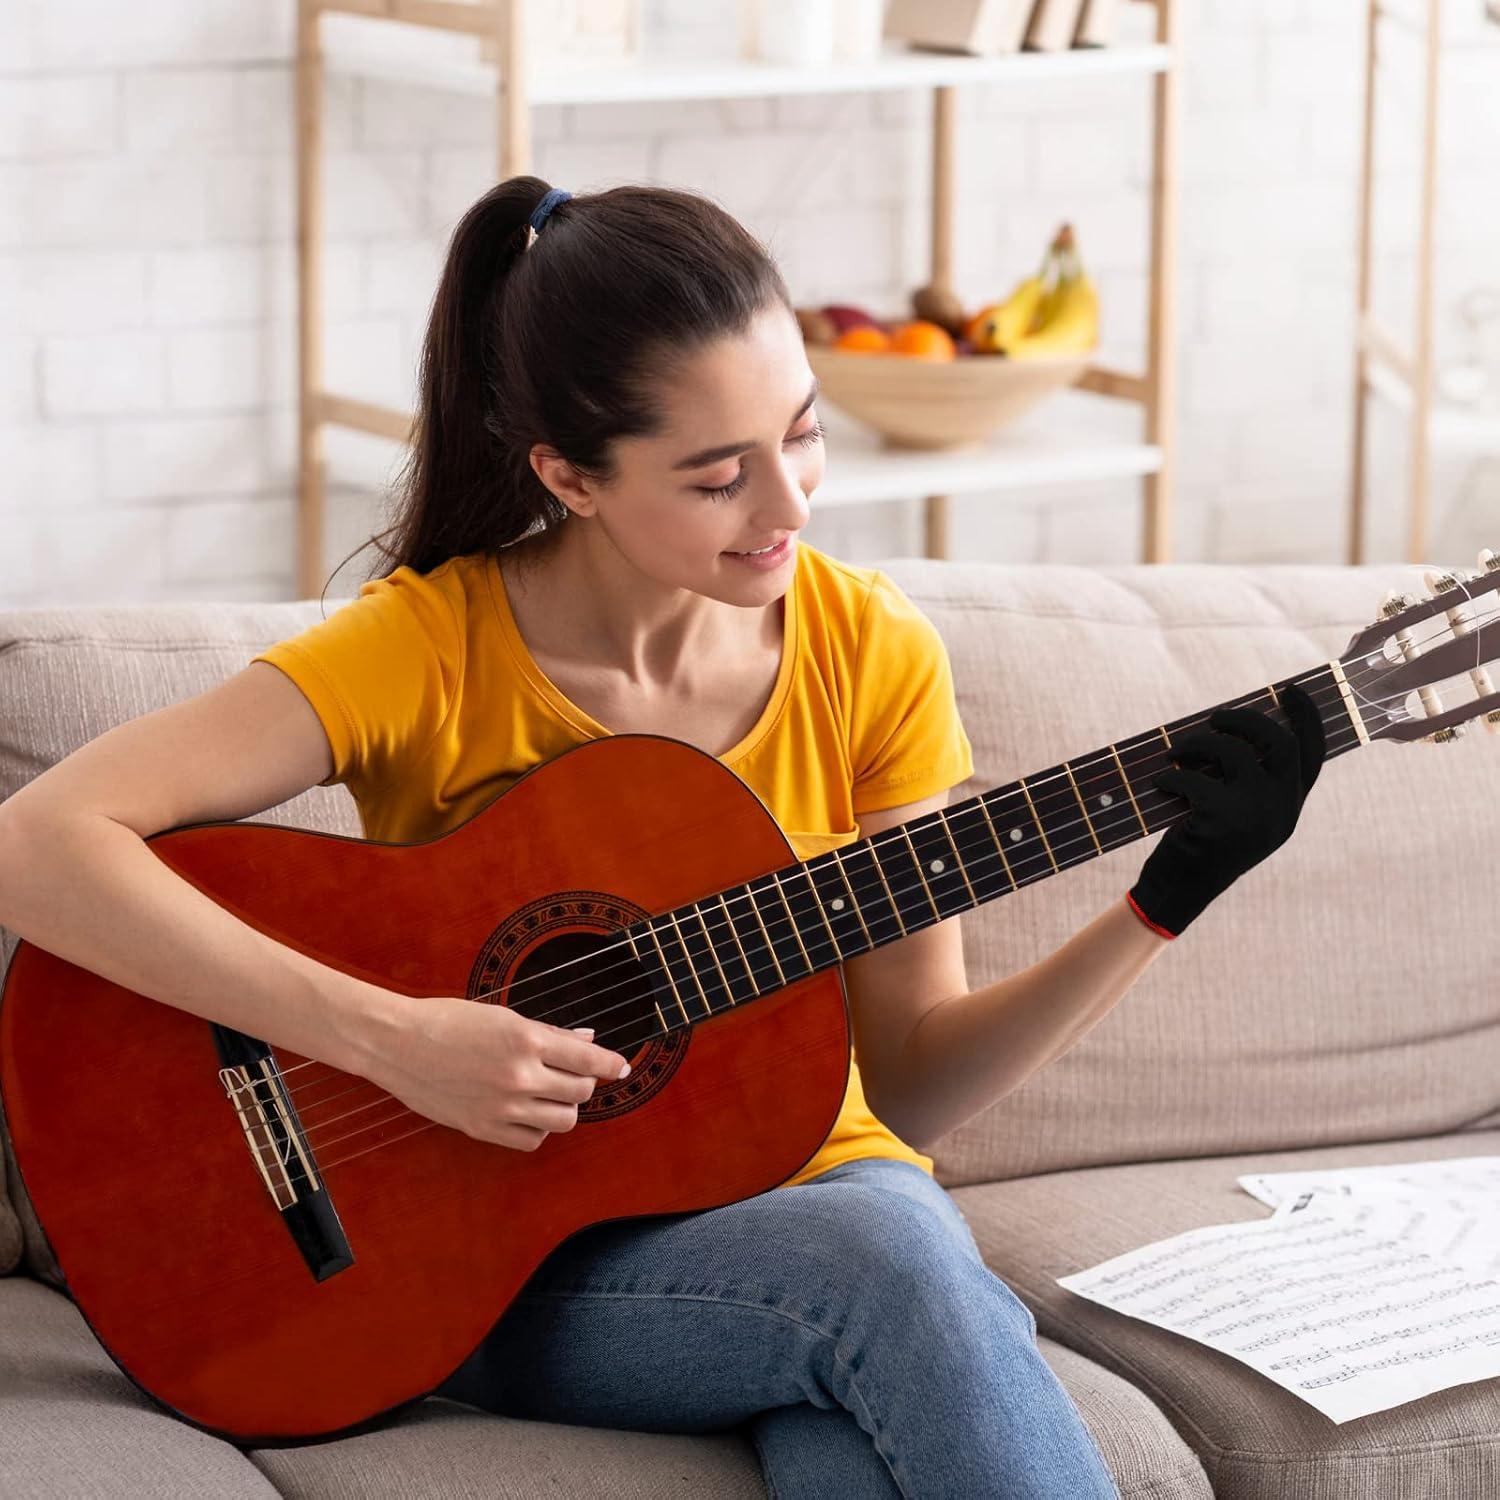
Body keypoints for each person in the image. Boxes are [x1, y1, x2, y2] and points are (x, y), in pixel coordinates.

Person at [0, 179, 1324, 1498]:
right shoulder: (433, 651)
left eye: (801, 437)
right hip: (497, 1262)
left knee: (869, 1346)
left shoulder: (872, 651)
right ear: (569, 476)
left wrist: (1163, 901)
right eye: (717, 477)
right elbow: (38, 844)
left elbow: (910, 1083)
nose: (788, 507)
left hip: (826, 1222)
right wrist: (394, 1041)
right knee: (893, 1263)